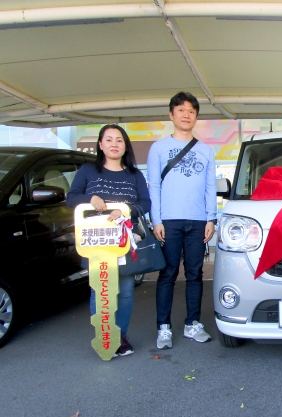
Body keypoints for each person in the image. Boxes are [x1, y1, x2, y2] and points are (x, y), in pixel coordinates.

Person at [67, 124, 151, 356]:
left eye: (119, 140)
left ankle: (120, 336)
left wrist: (126, 211)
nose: (114, 144)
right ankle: (105, 337)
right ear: (101, 145)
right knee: (101, 290)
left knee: (125, 290)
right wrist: (90, 198)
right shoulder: (87, 171)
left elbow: (145, 203)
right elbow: (71, 198)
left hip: (124, 242)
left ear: (125, 146)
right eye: (109, 139)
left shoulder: (135, 174)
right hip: (96, 243)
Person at [147, 92, 217, 349]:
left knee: (195, 273)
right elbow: (154, 186)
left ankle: (192, 324)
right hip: (169, 221)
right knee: (167, 273)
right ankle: (163, 327)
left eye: (191, 111)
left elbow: (210, 186)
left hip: (198, 221)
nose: (186, 115)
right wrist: (156, 220)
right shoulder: (158, 148)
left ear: (196, 116)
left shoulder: (206, 150)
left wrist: (211, 218)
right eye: (181, 110)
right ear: (171, 114)